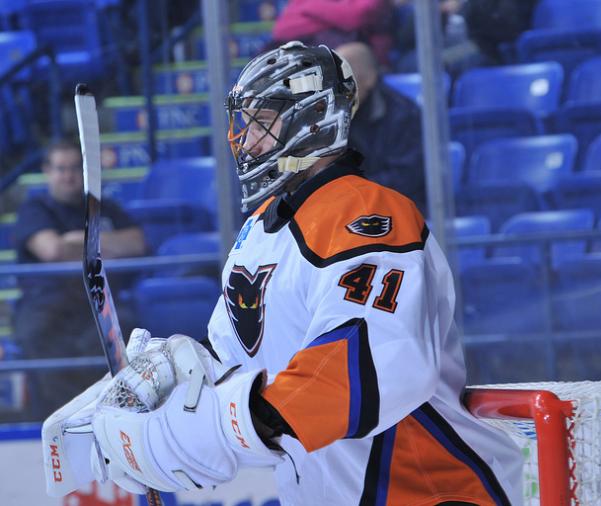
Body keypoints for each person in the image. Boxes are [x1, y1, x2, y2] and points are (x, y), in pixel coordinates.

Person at [43, 42, 523, 505]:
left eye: (263, 122)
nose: (245, 139)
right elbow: (243, 365)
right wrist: (173, 393)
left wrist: (215, 429)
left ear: (314, 120)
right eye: (244, 124)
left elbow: (363, 363)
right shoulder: (259, 228)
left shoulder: (366, 213)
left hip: (421, 491)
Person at [13, 139, 146, 420]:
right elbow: (52, 250)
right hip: (46, 307)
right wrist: (103, 246)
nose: (69, 175)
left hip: (98, 302)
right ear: (47, 171)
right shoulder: (35, 209)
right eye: (61, 168)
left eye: (75, 168)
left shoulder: (102, 206)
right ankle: (58, 422)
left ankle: (112, 420)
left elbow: (137, 243)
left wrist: (75, 240)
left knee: (130, 332)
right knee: (41, 343)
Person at [336, 41, 427, 213]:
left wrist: (353, 193)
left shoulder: (403, 115)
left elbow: (406, 177)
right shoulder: (331, 115)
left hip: (398, 211)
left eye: (344, 80)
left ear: (369, 78)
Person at [271, 0, 393, 68]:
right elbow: (281, 29)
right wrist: (332, 17)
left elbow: (354, 17)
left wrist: (307, 6)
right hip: (306, 54)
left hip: (360, 62)